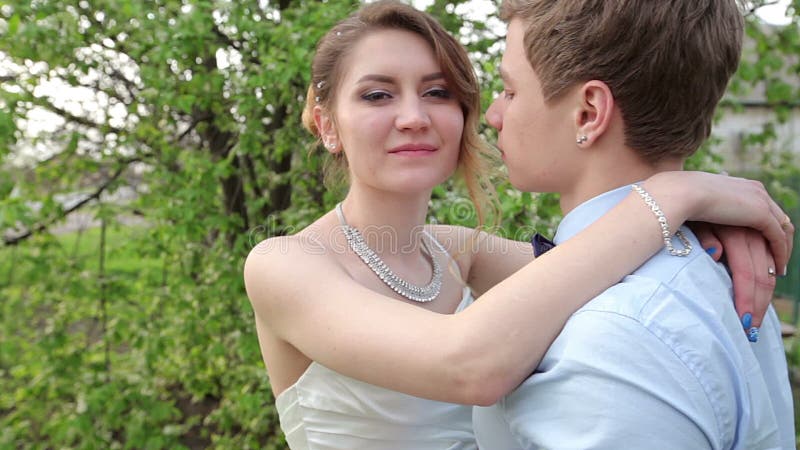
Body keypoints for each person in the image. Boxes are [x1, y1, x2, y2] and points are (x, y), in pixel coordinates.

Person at [243, 1, 794, 448]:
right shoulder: (285, 265)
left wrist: (702, 226)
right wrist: (677, 191)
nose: (414, 115)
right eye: (377, 94)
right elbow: (468, 364)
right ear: (326, 124)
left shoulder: (460, 252)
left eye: (438, 92)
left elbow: (605, 261)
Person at [472, 1, 796, 449]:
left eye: (510, 91)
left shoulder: (614, 341)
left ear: (588, 113)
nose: (493, 115)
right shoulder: (720, 271)